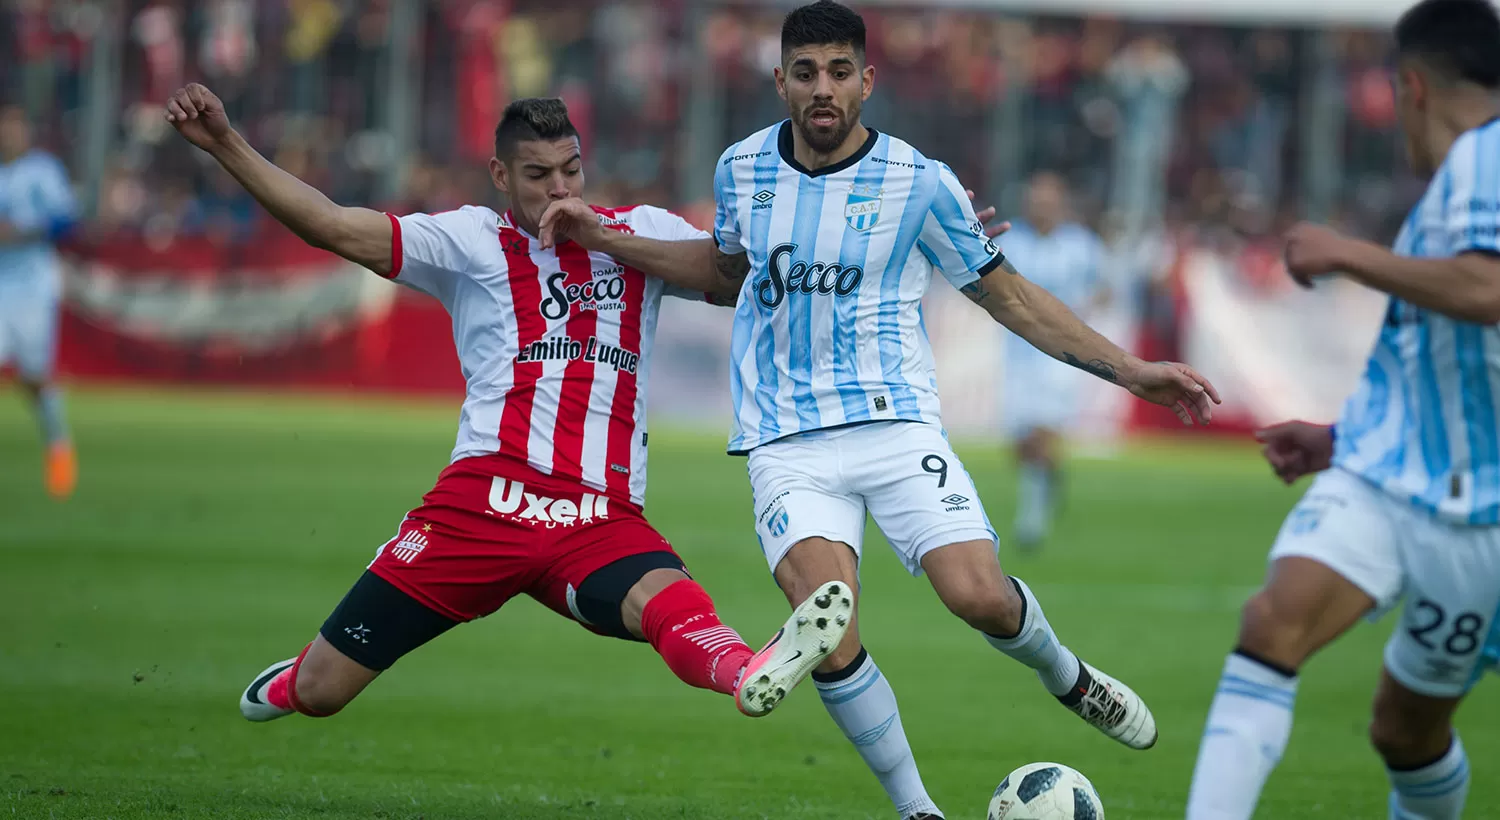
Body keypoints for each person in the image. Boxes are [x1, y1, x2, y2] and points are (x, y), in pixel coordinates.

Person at [540, 4, 1219, 818]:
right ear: (781, 80)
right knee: (829, 632)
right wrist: (605, 236)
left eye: (837, 72)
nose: (821, 89)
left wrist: (1132, 370)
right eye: (804, 72)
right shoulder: (741, 169)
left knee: (980, 598)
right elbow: (725, 274)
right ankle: (917, 810)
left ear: (866, 80)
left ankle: (1066, 674)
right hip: (785, 441)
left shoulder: (918, 183)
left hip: (894, 426)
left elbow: (1007, 296)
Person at [163, 85, 857, 733]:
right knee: (323, 693)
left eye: (571, 171)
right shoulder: (469, 242)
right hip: (483, 503)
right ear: (501, 177)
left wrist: (603, 237)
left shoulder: (636, 231)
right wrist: (226, 143)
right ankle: (295, 682)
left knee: (665, 599)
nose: (559, 188)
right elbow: (332, 226)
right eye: (538, 175)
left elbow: (730, 275)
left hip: (596, 511)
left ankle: (748, 669)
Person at [1185, 2, 1500, 818]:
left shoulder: (1483, 156)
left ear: (1412, 87)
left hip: (1479, 511)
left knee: (1406, 732)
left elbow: (1488, 290)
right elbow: (1457, 353)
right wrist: (1342, 438)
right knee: (1272, 624)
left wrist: (1346, 252)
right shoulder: (1470, 169)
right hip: (1393, 477)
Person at [997, 171, 1108, 549]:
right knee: (1019, 443)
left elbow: (1105, 287)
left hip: (1061, 358)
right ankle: (1049, 480)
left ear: (1061, 203)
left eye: (1048, 200)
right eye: (1035, 199)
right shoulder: (1012, 242)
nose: (1040, 206)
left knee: (1043, 433)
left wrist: (1081, 317)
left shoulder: (1081, 245)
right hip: (1018, 356)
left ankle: (1032, 520)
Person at [0, 103, 78, 500]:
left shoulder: (42, 170)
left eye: (15, 126)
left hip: (32, 286)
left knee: (33, 378)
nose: (9, 134)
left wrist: (22, 232)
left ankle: (59, 449)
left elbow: (68, 221)